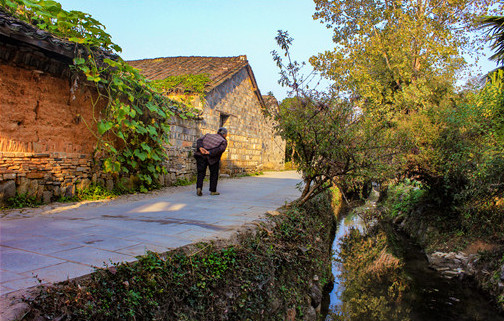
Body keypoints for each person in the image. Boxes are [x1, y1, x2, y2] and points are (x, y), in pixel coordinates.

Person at [194, 127, 228, 196]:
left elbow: (199, 141)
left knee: (201, 173)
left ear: (217, 132)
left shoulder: (208, 135)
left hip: (201, 156)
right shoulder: (223, 141)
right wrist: (209, 152)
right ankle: (213, 191)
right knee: (214, 174)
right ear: (224, 134)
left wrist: (200, 148)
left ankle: (199, 187)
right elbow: (220, 150)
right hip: (213, 159)